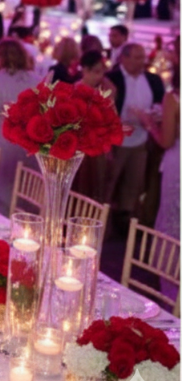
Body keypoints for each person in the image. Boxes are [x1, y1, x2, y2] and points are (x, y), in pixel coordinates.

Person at [104, 43, 166, 230]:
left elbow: (160, 104)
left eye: (143, 57)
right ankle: (103, 220)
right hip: (116, 140)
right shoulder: (112, 78)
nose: (142, 62)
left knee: (134, 182)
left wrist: (154, 115)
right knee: (109, 181)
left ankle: (125, 220)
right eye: (137, 58)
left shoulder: (153, 80)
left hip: (140, 139)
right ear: (124, 58)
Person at [0, 39, 38, 215]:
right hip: (27, 146)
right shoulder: (37, 80)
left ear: (0, 57)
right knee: (24, 195)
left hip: (0, 146)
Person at [138, 65, 179, 297]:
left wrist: (149, 123)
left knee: (173, 221)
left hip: (177, 164)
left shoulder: (173, 98)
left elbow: (166, 141)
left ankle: (172, 289)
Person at [72, 50, 116, 199]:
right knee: (80, 189)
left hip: (98, 148)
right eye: (96, 72)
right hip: (80, 149)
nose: (100, 76)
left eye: (102, 72)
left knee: (96, 189)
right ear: (85, 70)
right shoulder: (75, 91)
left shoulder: (103, 91)